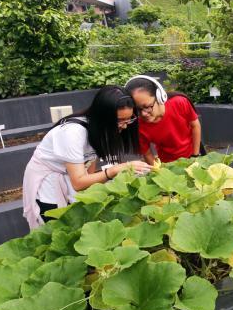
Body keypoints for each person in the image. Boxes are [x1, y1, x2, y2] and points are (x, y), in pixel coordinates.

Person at [22, 86, 150, 229]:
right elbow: (78, 182)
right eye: (119, 120)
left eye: (129, 119)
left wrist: (92, 193)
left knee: (75, 218)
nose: (124, 126)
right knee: (54, 225)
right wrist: (116, 170)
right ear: (102, 117)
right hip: (50, 180)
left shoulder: (98, 129)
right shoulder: (72, 133)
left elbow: (89, 162)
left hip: (72, 175)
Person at [125, 75, 203, 165]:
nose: (143, 114)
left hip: (192, 156)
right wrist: (158, 171)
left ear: (159, 96)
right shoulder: (138, 125)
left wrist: (195, 155)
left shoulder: (180, 102)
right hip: (167, 164)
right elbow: (147, 153)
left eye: (147, 107)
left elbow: (195, 125)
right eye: (137, 110)